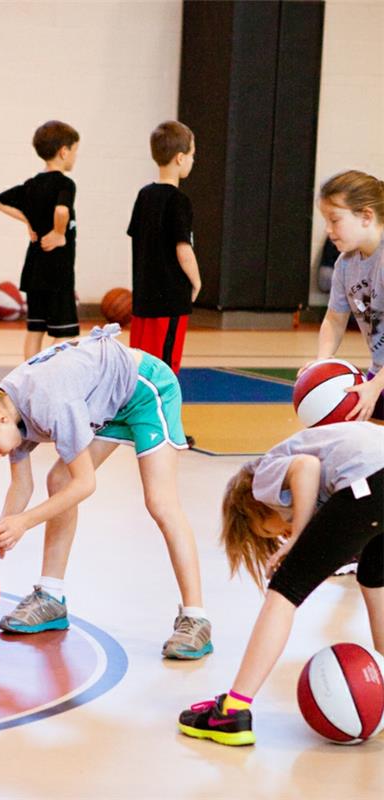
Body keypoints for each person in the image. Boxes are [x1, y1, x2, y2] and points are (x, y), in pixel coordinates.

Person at [0, 323, 213, 659]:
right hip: (106, 398)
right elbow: (21, 484)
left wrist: (24, 522)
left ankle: (196, 618)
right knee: (59, 481)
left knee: (160, 502)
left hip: (146, 388)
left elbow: (86, 484)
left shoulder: (47, 402)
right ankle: (51, 597)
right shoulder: (5, 407)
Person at [177, 422, 384, 746]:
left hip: (370, 480)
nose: (281, 533)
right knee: (375, 581)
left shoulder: (260, 477)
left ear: (253, 507)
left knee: (284, 592)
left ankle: (232, 711)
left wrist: (300, 534)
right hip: (374, 478)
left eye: (270, 531)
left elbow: (306, 467)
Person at [0, 120, 80, 361]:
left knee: (35, 331)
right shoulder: (65, 183)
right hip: (57, 272)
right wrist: (59, 234)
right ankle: (48, 376)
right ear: (64, 151)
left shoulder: (31, 185)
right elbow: (62, 211)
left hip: (34, 271)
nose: (75, 157)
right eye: (74, 151)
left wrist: (28, 220)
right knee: (65, 334)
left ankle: (29, 374)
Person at [128, 121, 201, 378]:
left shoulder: (144, 195)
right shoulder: (179, 201)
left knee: (138, 365)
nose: (193, 161)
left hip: (143, 299)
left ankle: (135, 412)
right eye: (192, 155)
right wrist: (196, 281)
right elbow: (183, 249)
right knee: (165, 368)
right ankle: (162, 416)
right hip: (170, 300)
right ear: (180, 158)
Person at [311, 170, 384, 420]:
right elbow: (334, 319)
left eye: (335, 220)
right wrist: (321, 364)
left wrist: (375, 387)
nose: (329, 230)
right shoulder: (345, 263)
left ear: (366, 216)